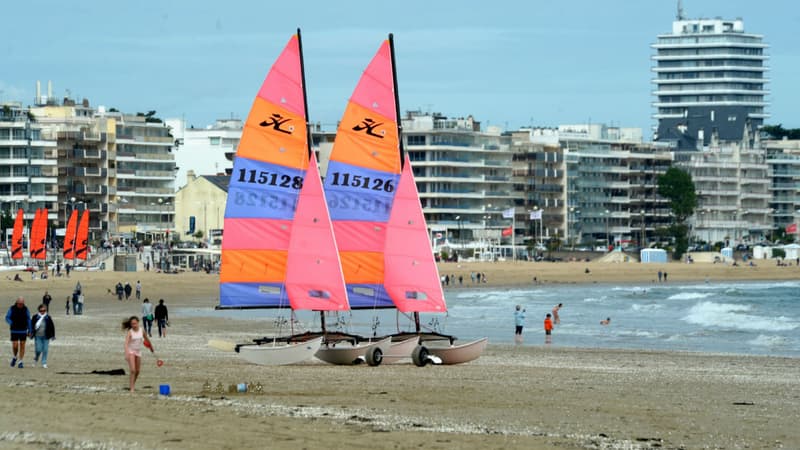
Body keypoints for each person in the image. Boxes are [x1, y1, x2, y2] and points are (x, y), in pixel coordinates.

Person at [122, 316, 153, 393]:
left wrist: (151, 347)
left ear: (138, 322)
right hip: (131, 351)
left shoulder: (142, 330)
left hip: (138, 352)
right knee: (133, 370)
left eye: (135, 323)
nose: (134, 325)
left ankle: (132, 385)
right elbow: (126, 343)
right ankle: (132, 388)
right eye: (132, 324)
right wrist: (126, 354)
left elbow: (146, 339)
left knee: (138, 371)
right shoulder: (130, 332)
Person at [6, 297, 31, 368]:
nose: (21, 305)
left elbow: (28, 319)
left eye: (22, 304)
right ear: (16, 302)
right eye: (19, 304)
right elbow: (7, 317)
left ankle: (20, 361)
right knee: (15, 345)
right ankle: (14, 357)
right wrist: (11, 323)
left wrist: (30, 330)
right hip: (14, 330)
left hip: (23, 330)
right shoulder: (12, 308)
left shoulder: (26, 309)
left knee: (22, 345)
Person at [30, 303, 55, 368]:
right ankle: (36, 358)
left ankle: (44, 362)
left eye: (44, 311)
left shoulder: (48, 317)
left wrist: (53, 335)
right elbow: (31, 325)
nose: (43, 312)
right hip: (37, 336)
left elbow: (52, 326)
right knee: (38, 349)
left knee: (45, 350)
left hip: (46, 336)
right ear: (39, 310)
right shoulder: (35, 317)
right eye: (41, 311)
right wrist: (30, 332)